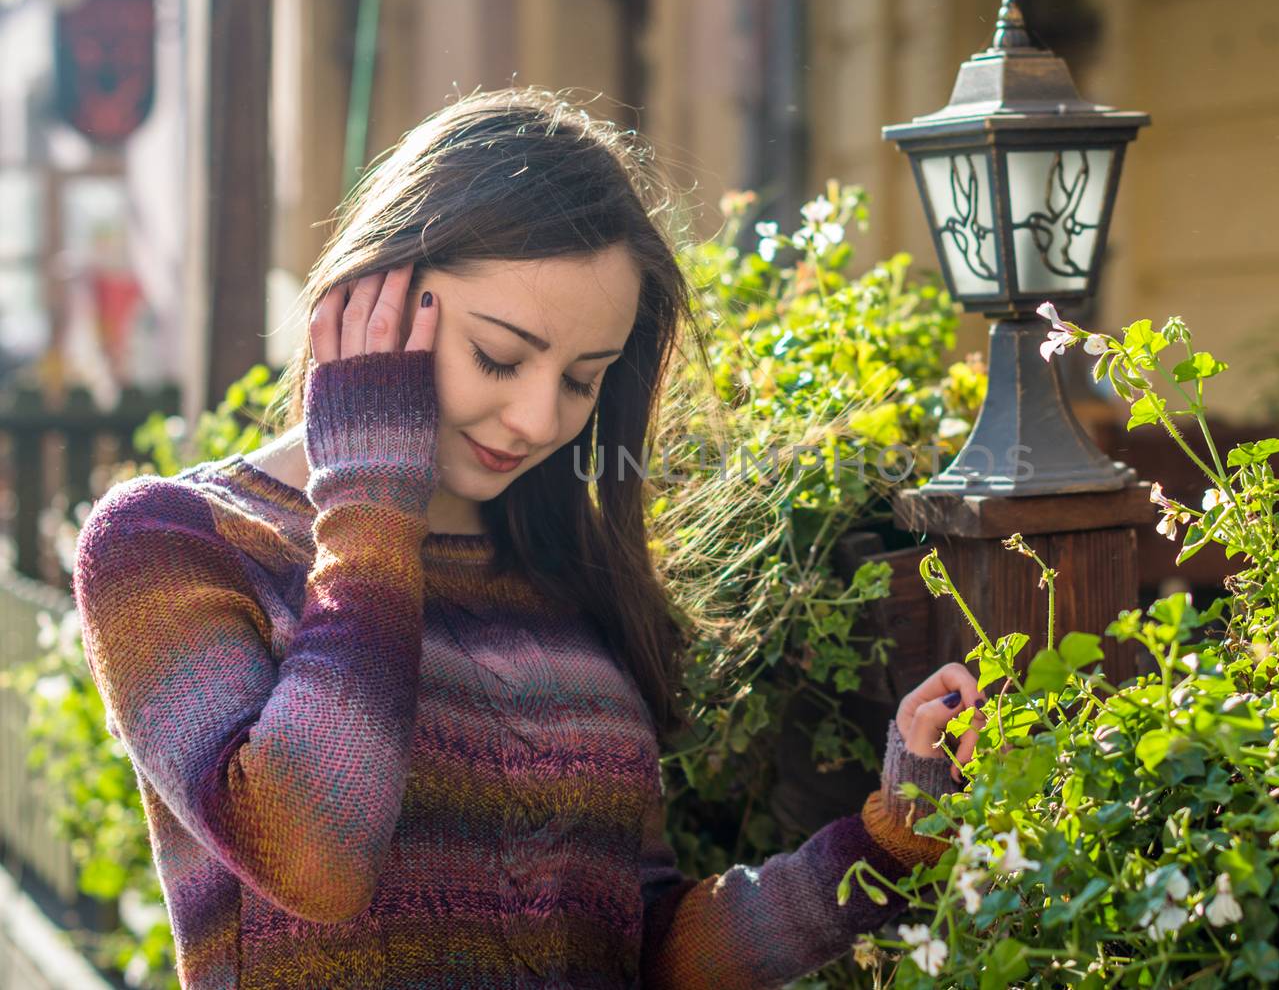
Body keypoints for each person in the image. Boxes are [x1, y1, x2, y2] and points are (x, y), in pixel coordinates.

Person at [70, 87, 989, 988]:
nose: (539, 418)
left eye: (583, 379)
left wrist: (884, 842)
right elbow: (315, 859)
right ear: (375, 294)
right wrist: (372, 491)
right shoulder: (169, 545)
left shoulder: (559, 566)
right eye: (500, 358)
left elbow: (640, 948)